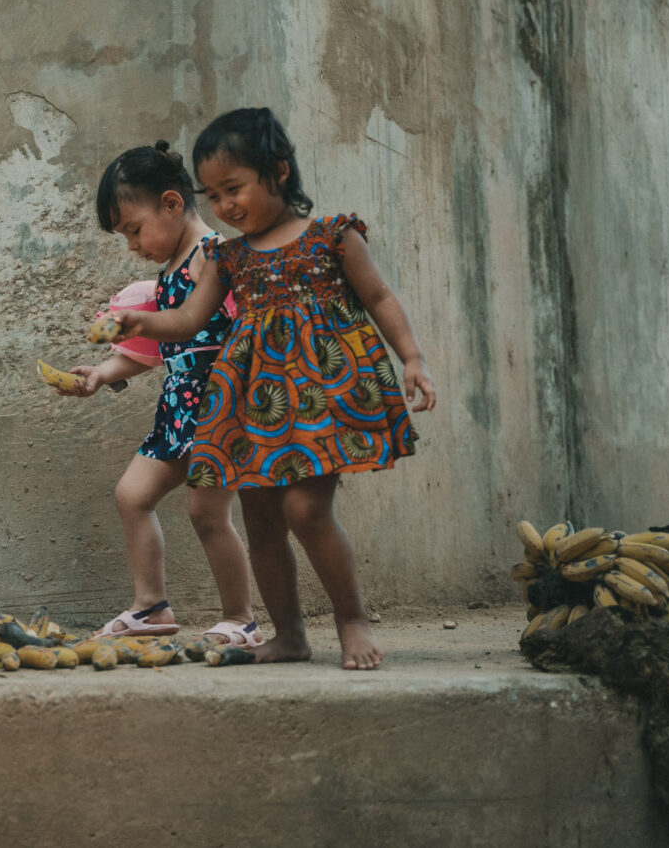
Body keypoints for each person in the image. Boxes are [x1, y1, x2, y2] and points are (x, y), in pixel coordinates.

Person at [104, 108, 436, 669]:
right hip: (253, 407)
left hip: (320, 398)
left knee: (305, 510)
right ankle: (288, 635)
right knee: (259, 518)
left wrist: (413, 358)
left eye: (233, 189)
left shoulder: (333, 236)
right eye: (213, 195)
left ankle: (352, 619)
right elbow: (187, 320)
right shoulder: (227, 257)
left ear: (278, 172)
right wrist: (141, 322)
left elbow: (379, 297)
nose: (224, 206)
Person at [58, 141, 259, 651]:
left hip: (219, 408)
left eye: (133, 229)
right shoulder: (169, 272)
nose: (132, 245)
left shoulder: (211, 257)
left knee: (207, 514)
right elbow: (156, 347)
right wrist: (103, 372)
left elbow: (249, 328)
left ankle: (241, 618)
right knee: (132, 495)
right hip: (178, 410)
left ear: (171, 204)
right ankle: (151, 606)